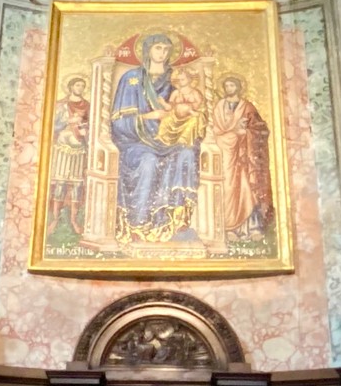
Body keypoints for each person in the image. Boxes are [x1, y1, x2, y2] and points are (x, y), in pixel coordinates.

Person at [110, 33, 201, 243]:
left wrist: (180, 119)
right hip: (137, 142)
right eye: (158, 48)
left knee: (187, 153)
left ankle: (176, 222)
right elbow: (118, 123)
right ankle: (139, 223)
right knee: (149, 161)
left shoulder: (175, 79)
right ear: (147, 50)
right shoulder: (132, 78)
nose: (162, 53)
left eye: (166, 49)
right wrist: (150, 116)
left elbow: (184, 110)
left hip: (168, 139)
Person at [210, 75, 273, 241]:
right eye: (226, 86)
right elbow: (214, 130)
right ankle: (229, 229)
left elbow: (260, 130)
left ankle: (252, 228)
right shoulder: (219, 107)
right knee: (228, 188)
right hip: (225, 154)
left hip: (244, 156)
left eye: (232, 85)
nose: (229, 89)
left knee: (247, 189)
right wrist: (233, 134)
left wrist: (246, 133)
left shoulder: (248, 107)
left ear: (238, 87)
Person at [47, 76, 90, 235]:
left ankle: (74, 220)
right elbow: (53, 125)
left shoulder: (87, 105)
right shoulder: (62, 105)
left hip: (79, 149)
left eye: (82, 85)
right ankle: (55, 219)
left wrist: (85, 130)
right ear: (71, 87)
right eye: (77, 85)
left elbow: (91, 124)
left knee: (77, 185)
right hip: (63, 149)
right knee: (61, 183)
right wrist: (68, 121)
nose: (80, 88)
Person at [156, 67, 206, 147]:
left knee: (194, 121)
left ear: (189, 79)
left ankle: (184, 139)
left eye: (183, 79)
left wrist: (186, 108)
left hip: (190, 116)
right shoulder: (176, 93)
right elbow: (170, 107)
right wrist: (163, 103)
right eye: (179, 80)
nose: (180, 81)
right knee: (166, 120)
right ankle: (162, 139)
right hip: (175, 116)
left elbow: (200, 106)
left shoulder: (195, 93)